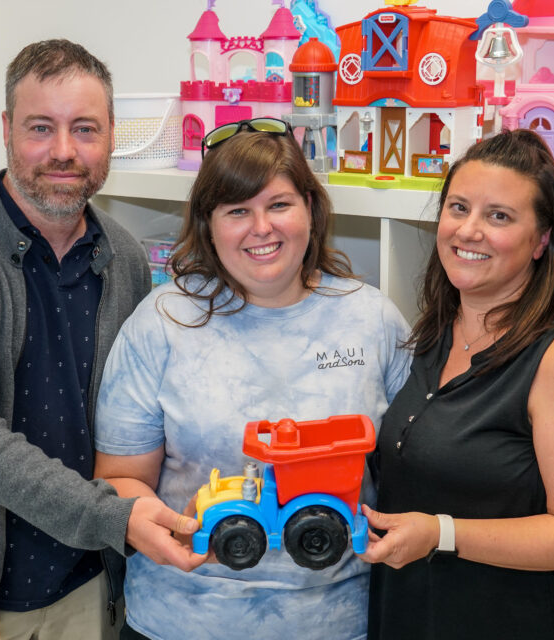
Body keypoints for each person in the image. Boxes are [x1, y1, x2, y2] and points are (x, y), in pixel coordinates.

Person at [0, 39, 202, 640]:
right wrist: (115, 516)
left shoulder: (124, 258)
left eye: (84, 128)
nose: (63, 152)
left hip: (93, 582)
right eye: (40, 127)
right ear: (6, 130)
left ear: (111, 136)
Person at [93, 119, 413, 640]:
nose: (261, 228)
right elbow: (120, 476)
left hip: (336, 624)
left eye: (279, 205)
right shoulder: (163, 322)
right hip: (180, 622)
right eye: (238, 210)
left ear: (310, 207)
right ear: (208, 223)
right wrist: (156, 525)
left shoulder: (371, 319)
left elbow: (410, 473)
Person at [362, 129, 554, 640]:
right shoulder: (436, 333)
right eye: (458, 207)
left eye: (499, 216)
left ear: (542, 240)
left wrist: (440, 533)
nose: (469, 230)